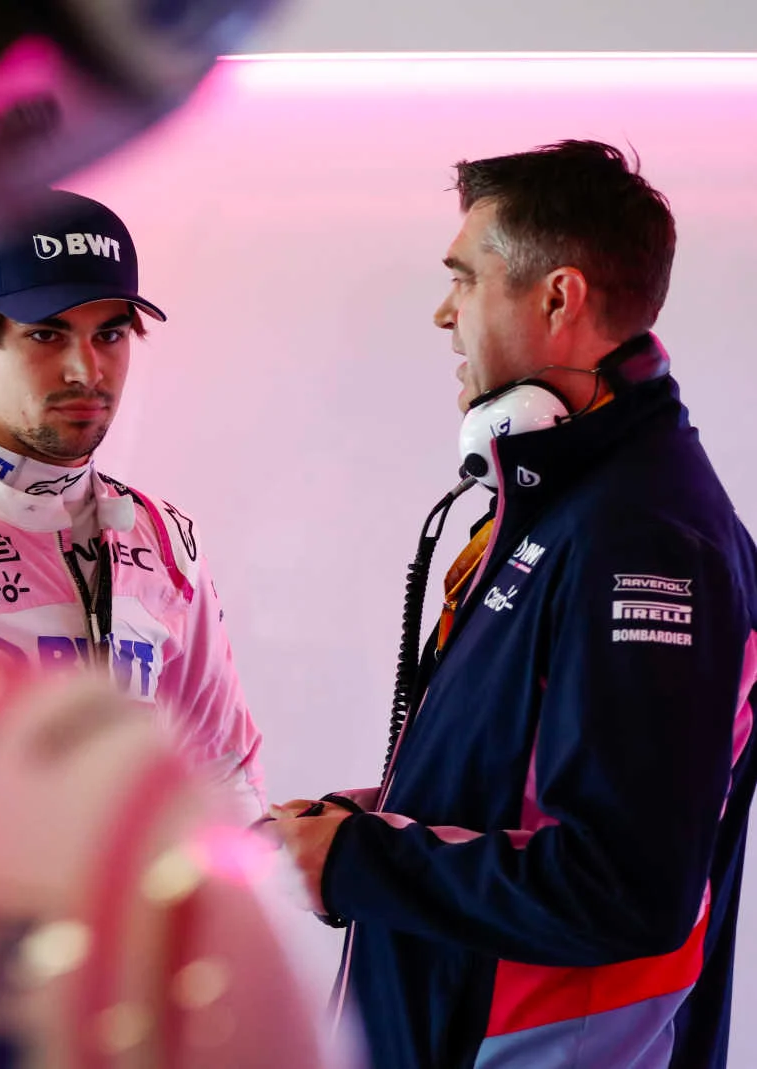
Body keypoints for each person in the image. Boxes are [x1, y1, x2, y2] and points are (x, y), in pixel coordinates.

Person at [270, 140, 757, 1068]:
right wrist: (358, 821)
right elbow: (527, 790)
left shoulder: (645, 539)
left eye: (465, 279)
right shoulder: (573, 500)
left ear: (558, 296)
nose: (444, 314)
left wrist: (354, 862)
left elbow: (620, 883)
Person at [0, 189, 265, 821]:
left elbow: (222, 771)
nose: (84, 371)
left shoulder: (164, 540)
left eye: (110, 334)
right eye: (46, 334)